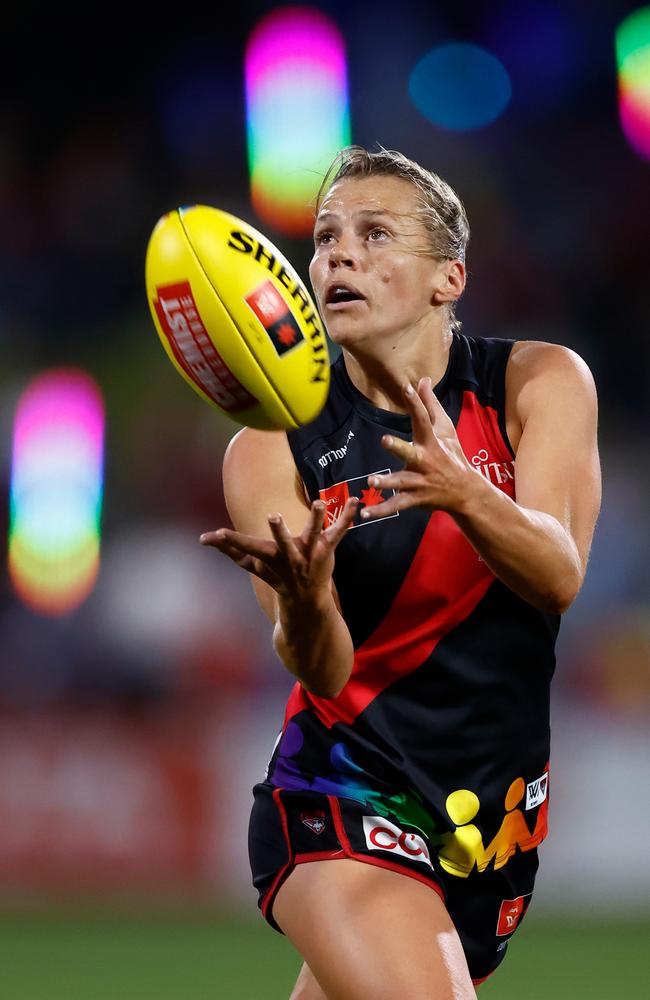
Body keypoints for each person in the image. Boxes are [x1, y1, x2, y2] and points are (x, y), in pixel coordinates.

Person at [200, 145, 601, 999]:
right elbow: (324, 666)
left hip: (485, 826)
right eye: (325, 237)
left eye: (375, 234)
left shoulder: (536, 382)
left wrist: (464, 493)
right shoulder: (271, 447)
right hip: (341, 793)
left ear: (447, 278)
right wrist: (304, 600)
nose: (338, 254)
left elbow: (559, 576)